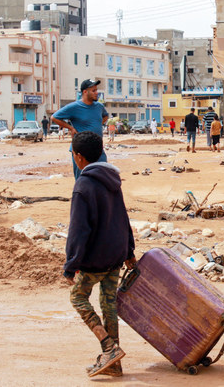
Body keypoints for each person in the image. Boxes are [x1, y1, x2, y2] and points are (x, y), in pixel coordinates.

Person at [63, 131, 136, 378]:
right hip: (115, 254)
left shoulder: (82, 185)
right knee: (108, 304)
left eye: (73, 154)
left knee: (78, 298)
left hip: (95, 258)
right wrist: (129, 250)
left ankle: (108, 347)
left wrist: (71, 264)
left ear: (79, 157)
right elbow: (123, 216)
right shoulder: (112, 179)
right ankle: (114, 363)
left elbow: (78, 230)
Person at [52, 79, 109, 179]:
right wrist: (71, 128)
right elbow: (54, 117)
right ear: (85, 92)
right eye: (93, 91)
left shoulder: (99, 106)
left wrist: (97, 124)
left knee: (103, 177)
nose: (97, 93)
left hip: (98, 149)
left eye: (97, 90)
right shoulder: (74, 107)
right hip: (81, 151)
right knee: (83, 179)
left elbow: (105, 116)